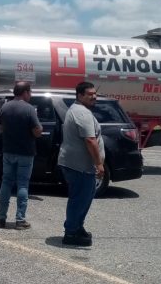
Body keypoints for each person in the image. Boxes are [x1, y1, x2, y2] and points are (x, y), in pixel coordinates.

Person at [58, 81, 104, 247]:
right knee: (79, 199)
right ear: (79, 95)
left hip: (80, 165)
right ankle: (71, 232)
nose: (94, 96)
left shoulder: (80, 110)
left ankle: (77, 227)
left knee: (84, 198)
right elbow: (90, 141)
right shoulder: (81, 113)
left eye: (94, 93)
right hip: (79, 166)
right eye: (89, 94)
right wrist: (99, 164)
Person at [0, 81, 42, 230]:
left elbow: (0, 128)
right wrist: (39, 130)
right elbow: (36, 131)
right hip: (25, 153)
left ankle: (1, 218)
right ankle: (20, 220)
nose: (31, 95)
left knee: (6, 182)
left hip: (8, 151)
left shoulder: (5, 107)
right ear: (25, 92)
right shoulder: (29, 109)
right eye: (30, 92)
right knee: (22, 184)